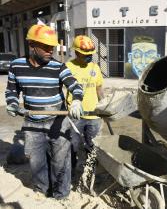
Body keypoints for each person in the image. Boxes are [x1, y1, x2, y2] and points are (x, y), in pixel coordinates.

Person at [5, 24, 83, 199]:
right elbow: (11, 90)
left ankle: (61, 195)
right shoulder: (16, 66)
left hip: (58, 120)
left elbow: (74, 85)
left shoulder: (58, 67)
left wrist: (77, 99)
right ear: (32, 45)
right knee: (36, 161)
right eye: (46, 47)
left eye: (52, 47)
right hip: (32, 121)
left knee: (61, 161)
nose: (51, 51)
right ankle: (42, 191)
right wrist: (11, 103)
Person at [66, 35, 104, 171]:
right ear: (76, 52)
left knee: (92, 146)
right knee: (72, 146)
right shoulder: (68, 67)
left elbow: (99, 88)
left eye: (90, 54)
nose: (89, 57)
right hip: (75, 116)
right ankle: (70, 173)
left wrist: (104, 106)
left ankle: (91, 172)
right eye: (85, 54)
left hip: (94, 115)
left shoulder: (95, 67)